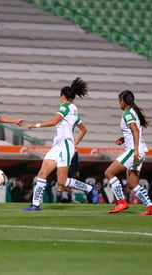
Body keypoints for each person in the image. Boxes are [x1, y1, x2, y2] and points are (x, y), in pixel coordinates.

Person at [23, 77, 98, 211]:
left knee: (62, 181)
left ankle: (90, 188)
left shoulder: (65, 107)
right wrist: (75, 143)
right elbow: (84, 129)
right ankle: (35, 204)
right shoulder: (73, 110)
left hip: (64, 146)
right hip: (58, 146)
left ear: (62, 96)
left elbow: (54, 121)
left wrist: (36, 125)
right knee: (42, 173)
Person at [104, 90, 152, 215]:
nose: (119, 103)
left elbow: (136, 131)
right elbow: (133, 130)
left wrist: (135, 150)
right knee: (133, 183)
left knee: (109, 172)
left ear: (122, 101)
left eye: (119, 101)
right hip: (140, 150)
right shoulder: (133, 112)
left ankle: (121, 202)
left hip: (134, 151)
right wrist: (124, 138)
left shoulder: (128, 114)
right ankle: (151, 208)